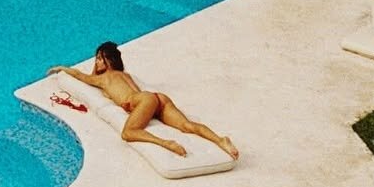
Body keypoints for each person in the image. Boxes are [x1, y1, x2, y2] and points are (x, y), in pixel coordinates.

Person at [47, 42, 239, 160]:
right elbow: (141, 93)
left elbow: (80, 76)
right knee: (187, 125)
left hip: (142, 102)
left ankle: (167, 143)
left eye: (98, 59)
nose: (96, 62)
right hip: (156, 98)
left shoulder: (103, 78)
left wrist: (61, 68)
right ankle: (220, 140)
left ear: (107, 61)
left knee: (128, 133)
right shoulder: (125, 74)